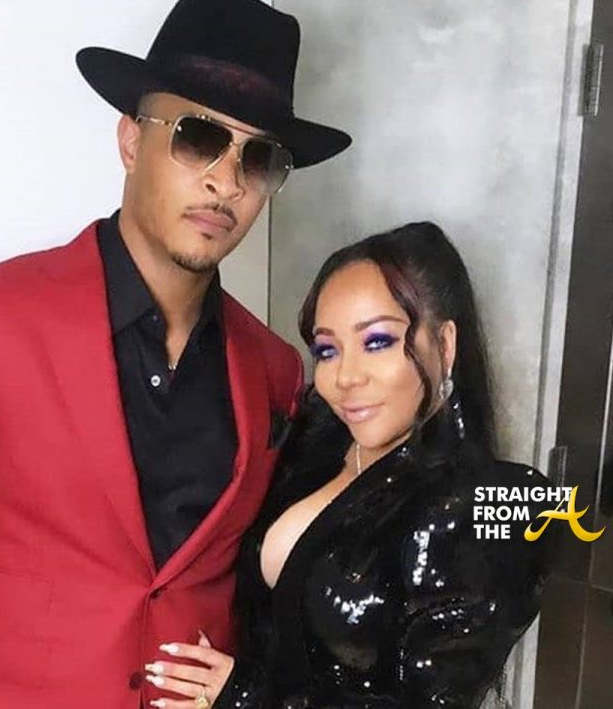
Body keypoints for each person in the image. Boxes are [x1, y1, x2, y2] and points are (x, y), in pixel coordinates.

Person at [0, 0, 351, 709]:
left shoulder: (274, 370)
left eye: (258, 159)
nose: (224, 180)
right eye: (198, 136)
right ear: (130, 140)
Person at [145, 222, 558, 708]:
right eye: (327, 350)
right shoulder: (314, 445)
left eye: (377, 341)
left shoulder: (487, 504)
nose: (345, 377)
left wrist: (244, 695)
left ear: (445, 346)